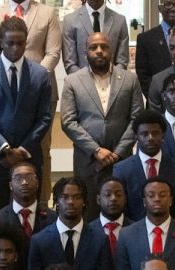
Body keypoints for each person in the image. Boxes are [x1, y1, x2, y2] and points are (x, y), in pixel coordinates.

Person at [0, 15, 53, 204]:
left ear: (26, 42)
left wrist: (22, 150)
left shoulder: (40, 74)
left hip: (29, 157)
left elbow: (45, 117)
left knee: (29, 216)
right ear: (1, 42)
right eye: (10, 43)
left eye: (20, 43)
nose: (15, 48)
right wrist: (5, 148)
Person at [60, 33, 143, 199]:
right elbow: (68, 122)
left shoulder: (130, 79)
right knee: (89, 209)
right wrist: (96, 150)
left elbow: (137, 119)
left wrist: (117, 153)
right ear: (85, 52)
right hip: (87, 160)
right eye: (93, 47)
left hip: (122, 160)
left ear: (111, 50)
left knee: (122, 209)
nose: (99, 51)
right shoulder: (72, 81)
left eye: (104, 47)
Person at [26, 178, 109, 270]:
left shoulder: (99, 240)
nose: (70, 202)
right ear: (56, 201)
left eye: (77, 197)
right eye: (65, 197)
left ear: (84, 202)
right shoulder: (39, 241)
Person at [112, 110, 175, 224]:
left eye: (155, 133)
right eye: (144, 134)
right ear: (136, 137)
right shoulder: (121, 170)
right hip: (133, 235)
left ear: (163, 135)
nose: (150, 138)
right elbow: (120, 209)